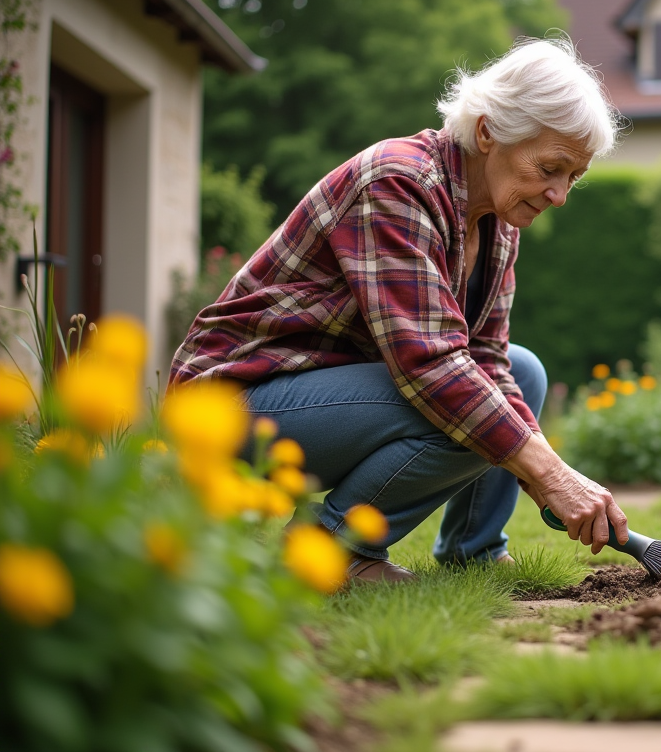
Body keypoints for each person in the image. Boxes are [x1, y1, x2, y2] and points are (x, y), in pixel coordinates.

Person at [170, 37, 629, 583]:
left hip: (322, 400)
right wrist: (550, 473)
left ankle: (473, 551)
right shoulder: (398, 182)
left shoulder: (500, 224)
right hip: (231, 405)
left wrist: (546, 472)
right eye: (550, 167)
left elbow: (487, 357)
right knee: (458, 401)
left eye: (572, 178)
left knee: (519, 371)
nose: (559, 194)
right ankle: (328, 550)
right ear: (488, 132)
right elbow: (430, 365)